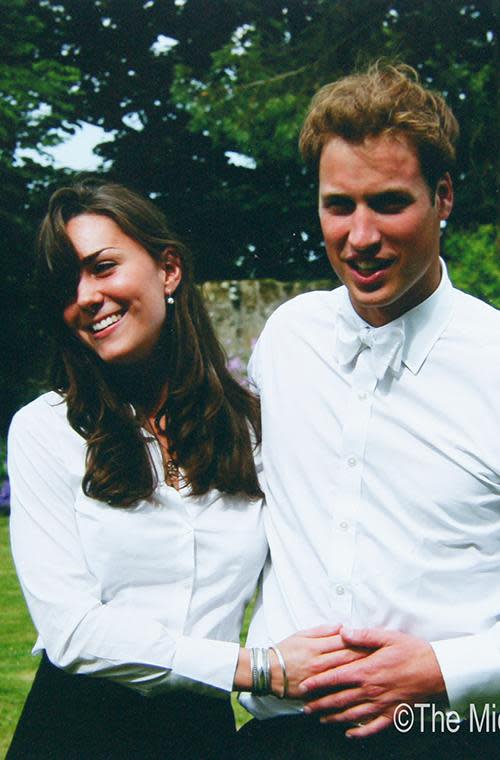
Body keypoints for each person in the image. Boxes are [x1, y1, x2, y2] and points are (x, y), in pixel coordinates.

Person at [7, 180, 355, 760]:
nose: (86, 296)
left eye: (102, 267)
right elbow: (70, 631)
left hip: (202, 739)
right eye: (67, 283)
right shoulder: (47, 430)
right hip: (75, 732)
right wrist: (255, 669)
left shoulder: (253, 431)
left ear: (168, 270)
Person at [237, 63, 500, 759]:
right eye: (338, 205)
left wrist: (444, 669)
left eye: (388, 202)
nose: (359, 236)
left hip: (450, 732)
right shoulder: (288, 341)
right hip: (282, 735)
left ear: (443, 196)